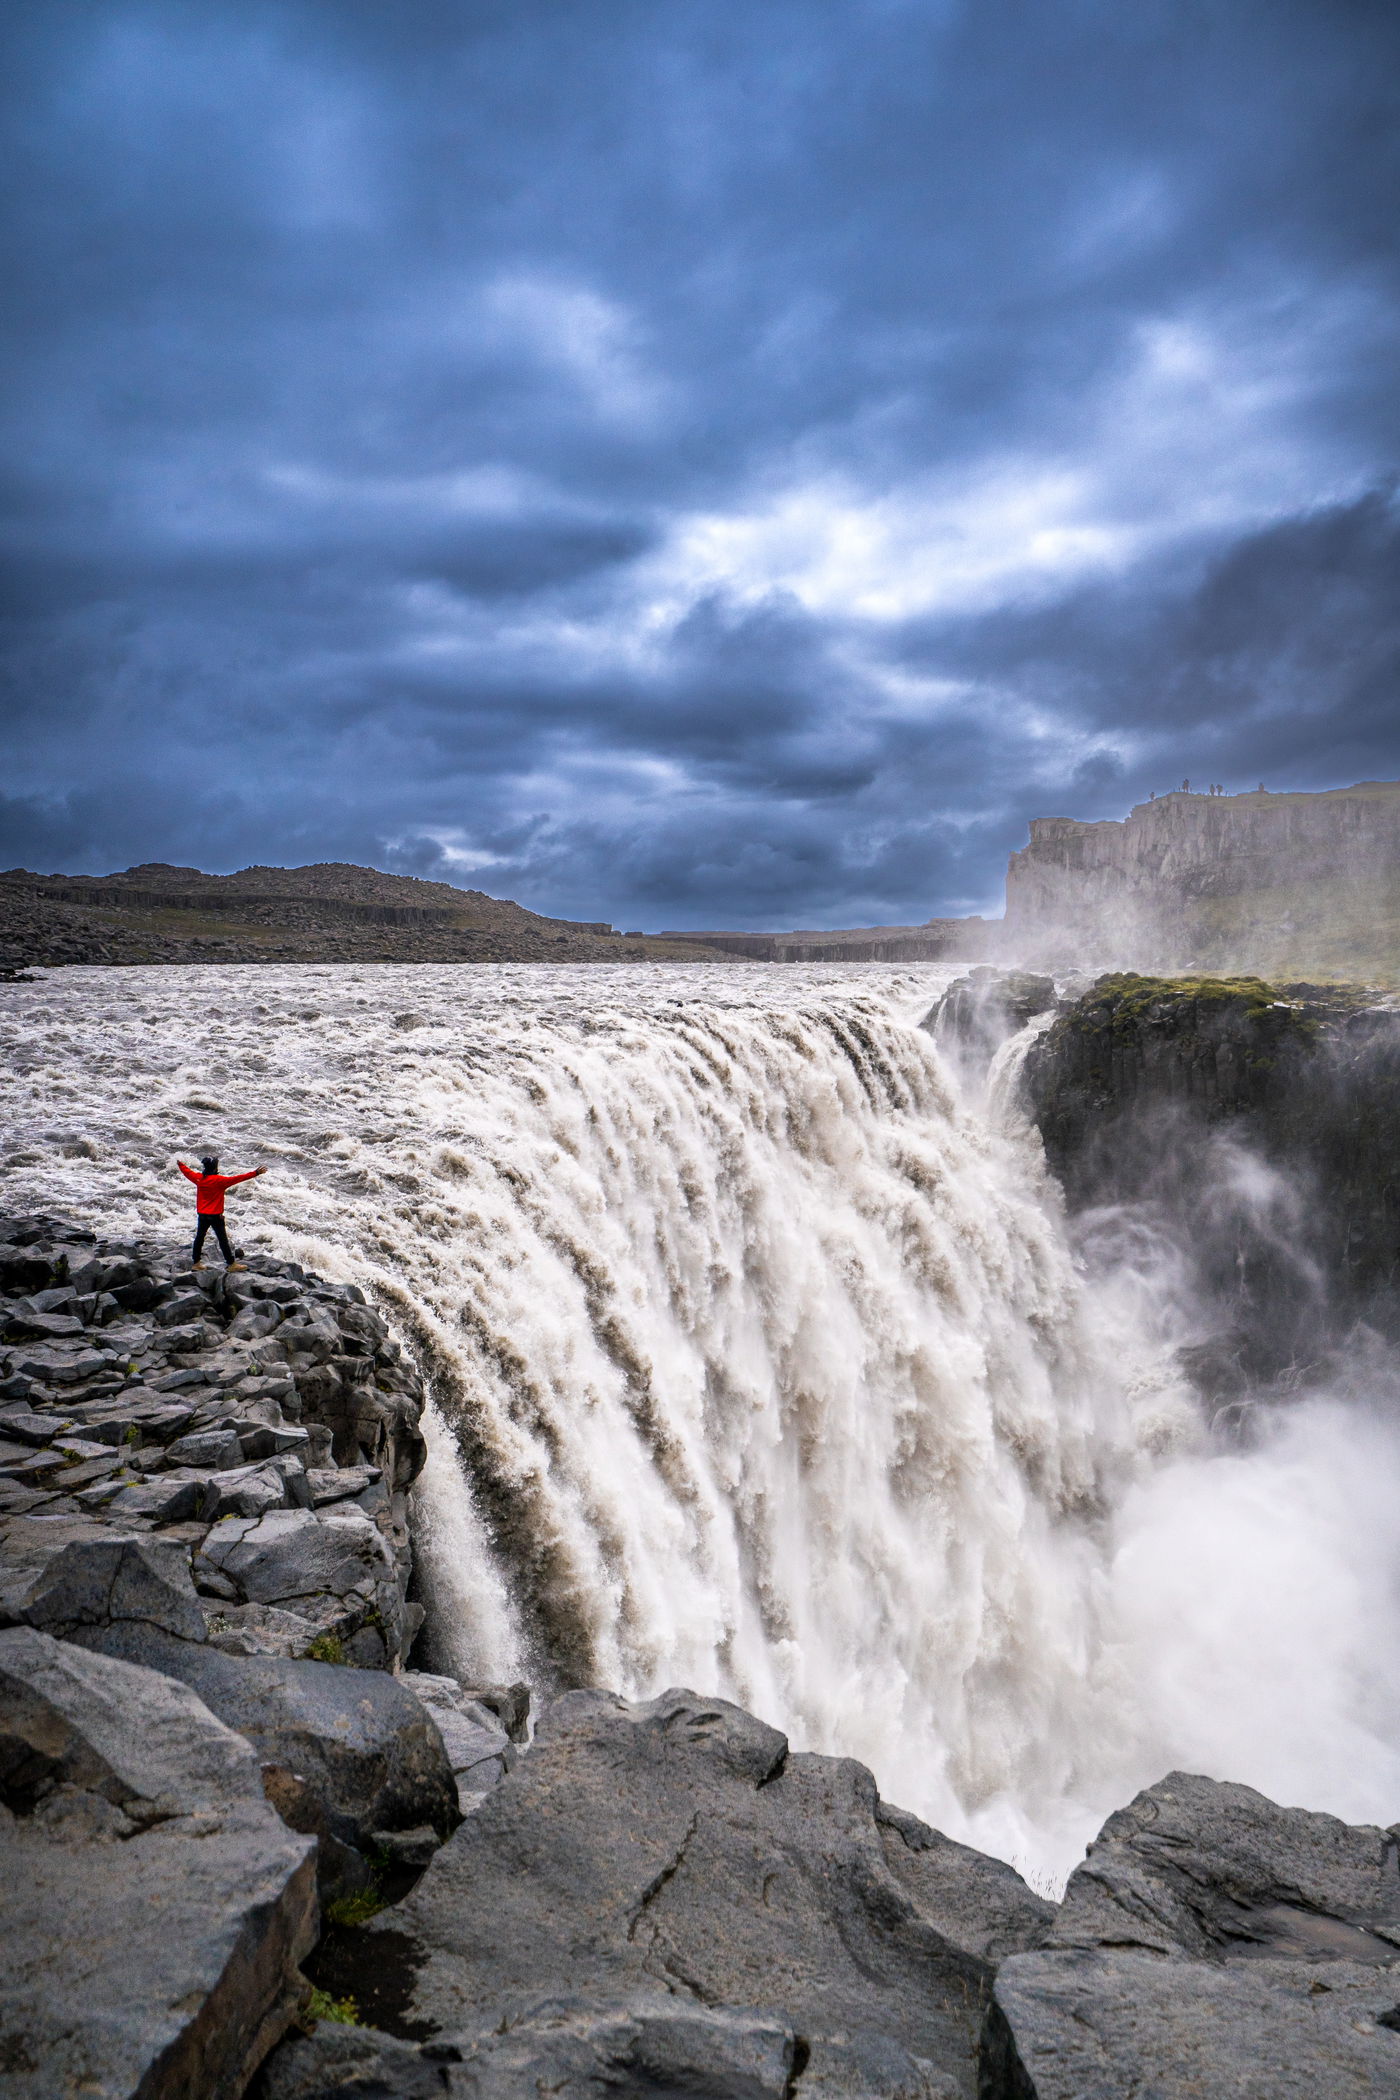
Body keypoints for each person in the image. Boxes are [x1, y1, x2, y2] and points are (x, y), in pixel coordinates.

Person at [177, 1154, 265, 1269]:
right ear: (215, 1168)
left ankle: (196, 1263)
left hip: (202, 1215)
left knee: (199, 1238)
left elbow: (187, 1172)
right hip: (215, 1216)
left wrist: (180, 1164)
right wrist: (256, 1173)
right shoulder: (220, 1181)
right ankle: (231, 1264)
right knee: (223, 1240)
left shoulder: (199, 1179)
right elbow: (238, 1178)